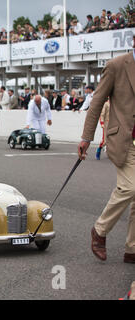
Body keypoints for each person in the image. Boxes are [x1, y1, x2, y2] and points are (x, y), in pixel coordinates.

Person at [78, 35, 135, 265]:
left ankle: (132, 248)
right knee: (130, 188)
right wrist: (86, 137)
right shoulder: (117, 65)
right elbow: (97, 102)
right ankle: (99, 231)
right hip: (123, 140)